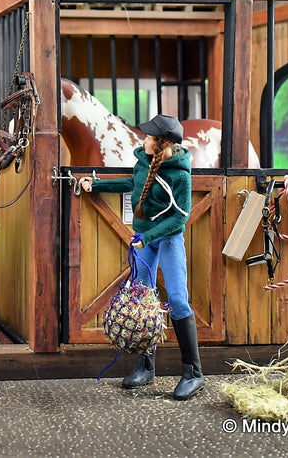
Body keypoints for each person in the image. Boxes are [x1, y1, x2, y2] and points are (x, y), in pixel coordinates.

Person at [78, 113, 204, 400]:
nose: (143, 139)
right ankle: (145, 367)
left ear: (162, 144)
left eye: (149, 137)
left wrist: (147, 236)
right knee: (141, 300)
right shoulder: (144, 161)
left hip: (167, 240)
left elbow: (180, 218)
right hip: (145, 240)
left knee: (177, 299)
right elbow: (131, 183)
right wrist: (96, 185)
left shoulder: (180, 175)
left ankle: (193, 373)